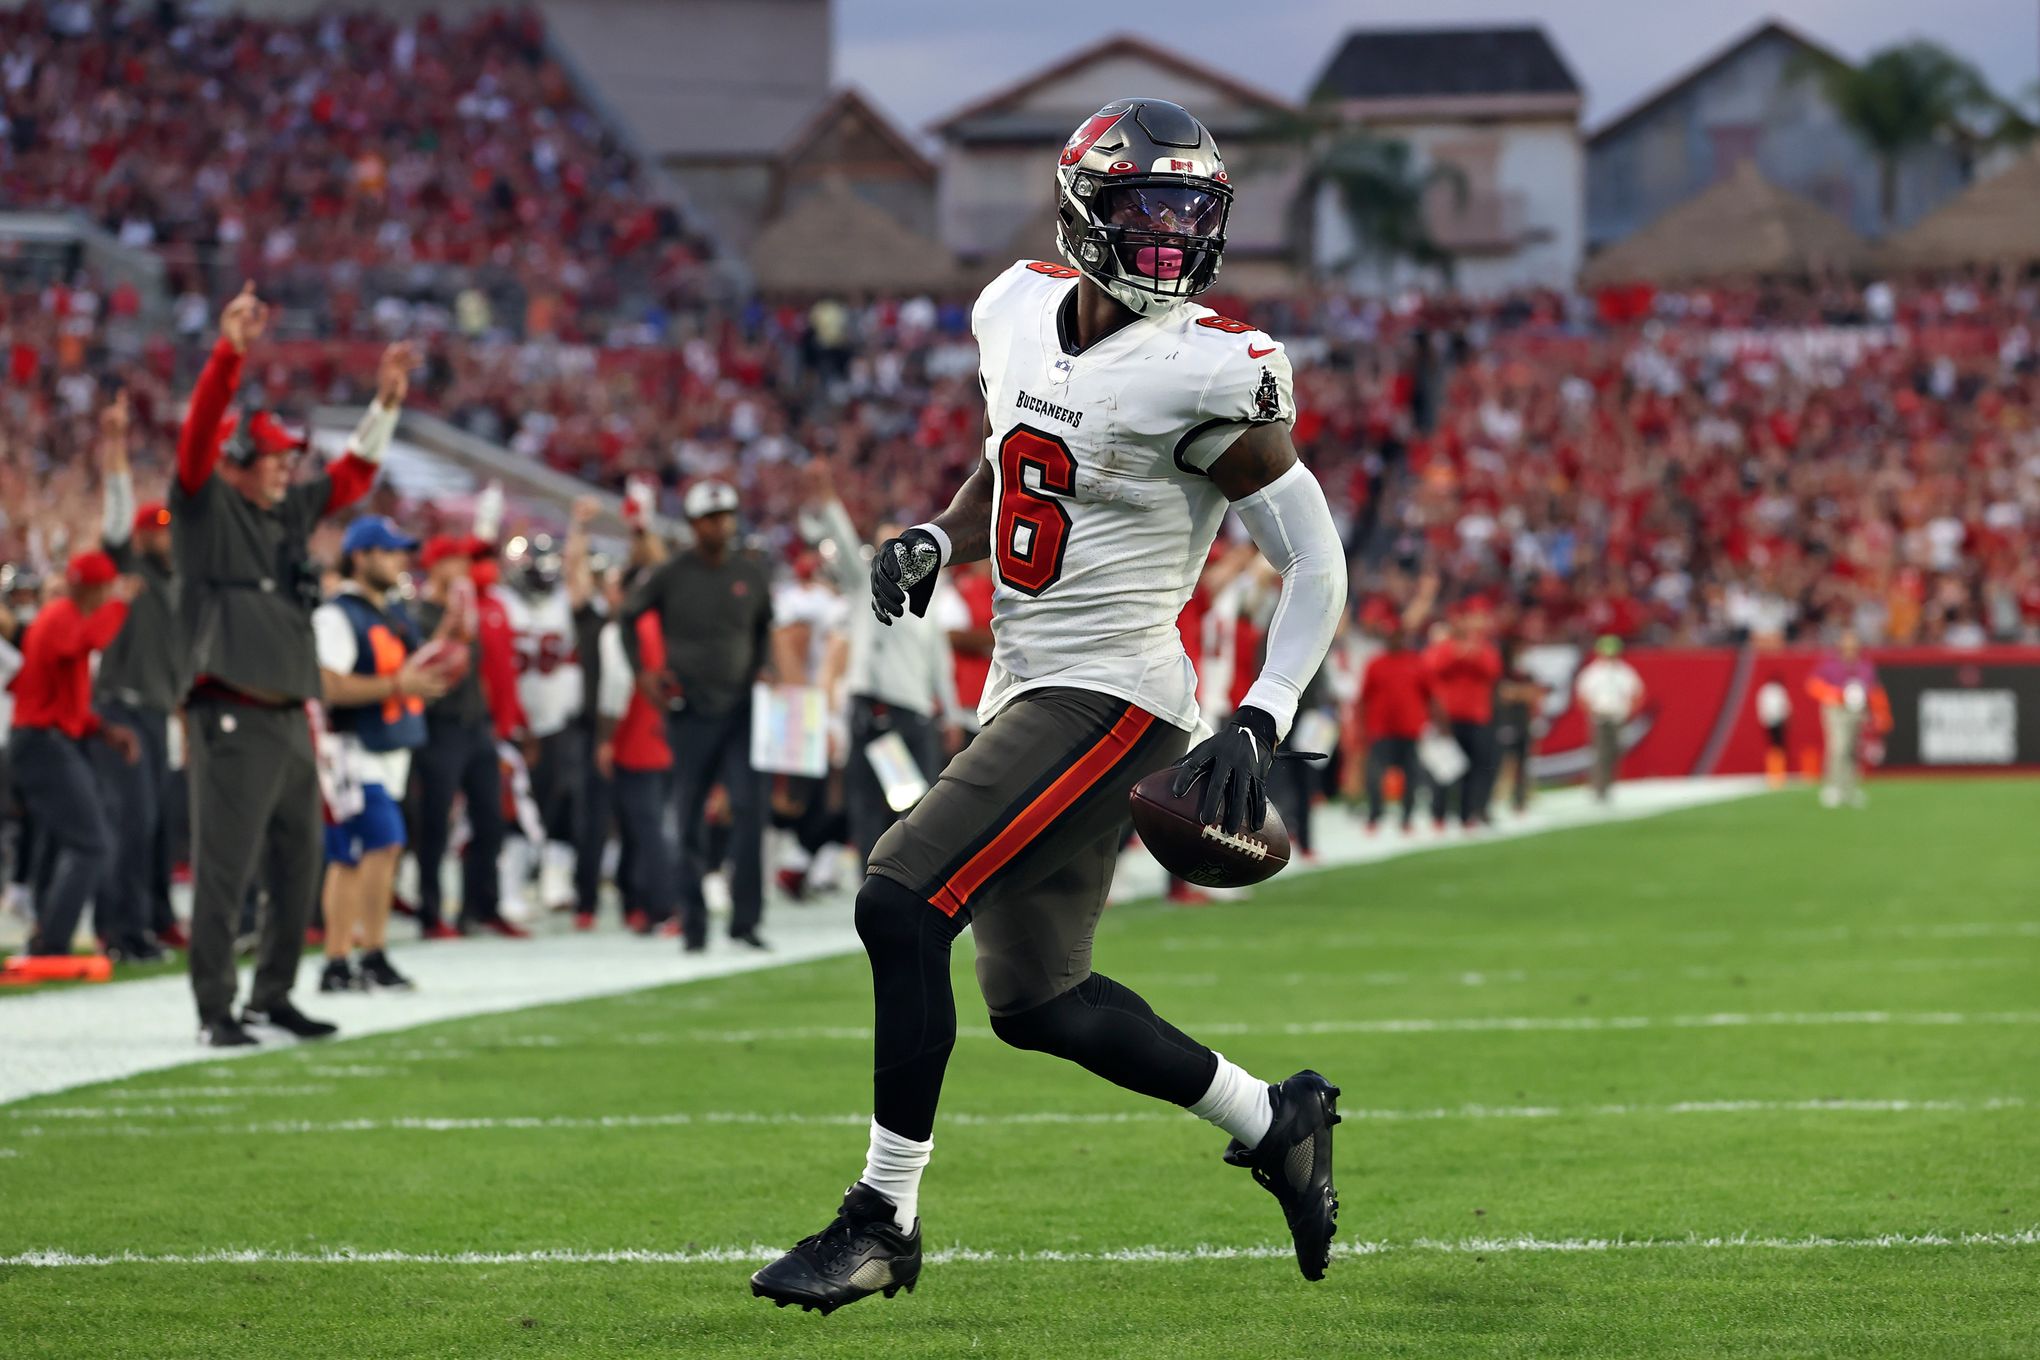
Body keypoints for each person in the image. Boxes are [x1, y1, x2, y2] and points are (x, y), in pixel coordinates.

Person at [750, 98, 1349, 1314]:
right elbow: (1016, 455)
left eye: (1193, 210)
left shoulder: (1209, 368)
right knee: (1037, 1000)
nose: (1174, 237)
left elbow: (1318, 560)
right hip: (1024, 680)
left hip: (1117, 690)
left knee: (898, 896)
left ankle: (883, 1218)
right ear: (1084, 210)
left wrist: (1264, 712)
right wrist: (938, 532)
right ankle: (1272, 1117)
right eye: (1148, 208)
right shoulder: (1016, 307)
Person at [173, 283, 408, 1047]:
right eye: (273, 458)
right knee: (225, 873)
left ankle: (273, 993)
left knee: (297, 867)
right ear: (239, 461)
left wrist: (386, 406)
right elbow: (199, 430)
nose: (285, 470)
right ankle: (215, 1008)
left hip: (290, 713)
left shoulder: (285, 515)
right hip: (232, 710)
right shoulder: (208, 507)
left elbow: (351, 479)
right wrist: (230, 350)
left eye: (287, 459)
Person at [620, 479, 775, 952]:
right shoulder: (671, 573)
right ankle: (693, 923)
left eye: (726, 515)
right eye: (711, 518)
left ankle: (745, 921)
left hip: (741, 708)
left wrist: (761, 670)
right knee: (687, 814)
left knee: (750, 809)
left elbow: (765, 625)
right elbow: (628, 615)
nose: (721, 524)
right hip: (689, 709)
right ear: (693, 525)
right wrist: (642, 674)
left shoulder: (751, 572)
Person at [311, 516, 451, 991]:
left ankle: (343, 959)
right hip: (352, 746)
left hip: (390, 746)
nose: (399, 561)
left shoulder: (391, 613)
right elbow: (327, 684)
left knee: (358, 856)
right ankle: (365, 953)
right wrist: (397, 685)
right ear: (361, 555)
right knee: (381, 842)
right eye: (389, 552)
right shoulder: (336, 614)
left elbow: (419, 662)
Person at [802, 458, 957, 866]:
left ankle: (913, 882)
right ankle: (871, 887)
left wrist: (952, 713)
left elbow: (938, 660)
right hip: (868, 709)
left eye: (899, 545)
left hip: (911, 712)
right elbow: (844, 542)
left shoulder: (930, 598)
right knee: (867, 803)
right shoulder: (861, 586)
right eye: (885, 546)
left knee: (916, 805)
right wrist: (828, 498)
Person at [89, 392, 183, 960]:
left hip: (158, 710)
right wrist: (117, 444)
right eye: (159, 531)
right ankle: (118, 930)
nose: (167, 538)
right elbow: (117, 514)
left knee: (156, 823)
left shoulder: (174, 583)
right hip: (120, 707)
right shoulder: (130, 567)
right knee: (131, 820)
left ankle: (146, 921)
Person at [8, 551, 137, 959]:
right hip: (40, 742)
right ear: (95, 589)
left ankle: (45, 936)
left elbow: (71, 704)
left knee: (66, 842)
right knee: (91, 842)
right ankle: (52, 944)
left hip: (45, 740)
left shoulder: (62, 616)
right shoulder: (61, 616)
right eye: (106, 590)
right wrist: (121, 606)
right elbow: (87, 641)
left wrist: (104, 731)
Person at [409, 534, 513, 937]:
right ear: (435, 566)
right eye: (453, 560)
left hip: (474, 724)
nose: (463, 568)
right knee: (435, 824)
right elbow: (428, 670)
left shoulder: (466, 612)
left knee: (491, 819)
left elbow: (479, 671)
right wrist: (448, 633)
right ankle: (430, 912)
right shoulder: (420, 615)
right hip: (440, 727)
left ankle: (479, 907)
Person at [499, 499, 597, 914]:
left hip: (557, 720)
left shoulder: (561, 602)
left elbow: (578, 578)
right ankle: (511, 887)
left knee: (562, 799)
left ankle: (554, 881)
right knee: (513, 806)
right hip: (514, 722)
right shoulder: (502, 602)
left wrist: (577, 527)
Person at [1424, 607, 1502, 828]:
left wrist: (1470, 654)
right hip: (1448, 718)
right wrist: (1460, 654)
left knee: (1475, 768)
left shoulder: (1484, 648)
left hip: (1477, 717)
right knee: (1445, 767)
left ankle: (1466, 815)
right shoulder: (1444, 647)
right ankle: (1438, 815)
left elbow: (1492, 670)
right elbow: (1433, 668)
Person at [1352, 622, 1432, 833]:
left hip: (1410, 729)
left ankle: (1407, 817)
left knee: (1411, 775)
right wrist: (1360, 728)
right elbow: (1364, 698)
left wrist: (1430, 723)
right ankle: (1375, 815)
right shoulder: (1375, 664)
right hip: (1381, 729)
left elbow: (1429, 695)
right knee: (1375, 775)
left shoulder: (1417, 662)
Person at [1807, 630, 1890, 809]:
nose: (1851, 650)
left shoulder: (1865, 665)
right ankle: (1833, 786)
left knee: (1852, 749)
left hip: (1857, 710)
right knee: (1839, 747)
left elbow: (1873, 690)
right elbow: (1813, 685)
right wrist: (1837, 694)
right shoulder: (1830, 664)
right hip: (1836, 710)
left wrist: (1880, 713)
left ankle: (1849, 787)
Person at [1574, 635, 1644, 802]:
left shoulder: (1625, 672)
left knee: (1613, 752)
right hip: (1599, 716)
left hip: (1618, 716)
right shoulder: (1592, 673)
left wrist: (1629, 712)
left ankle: (1608, 785)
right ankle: (1599, 788)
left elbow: (1637, 693)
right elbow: (1582, 695)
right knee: (1599, 752)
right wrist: (1591, 712)